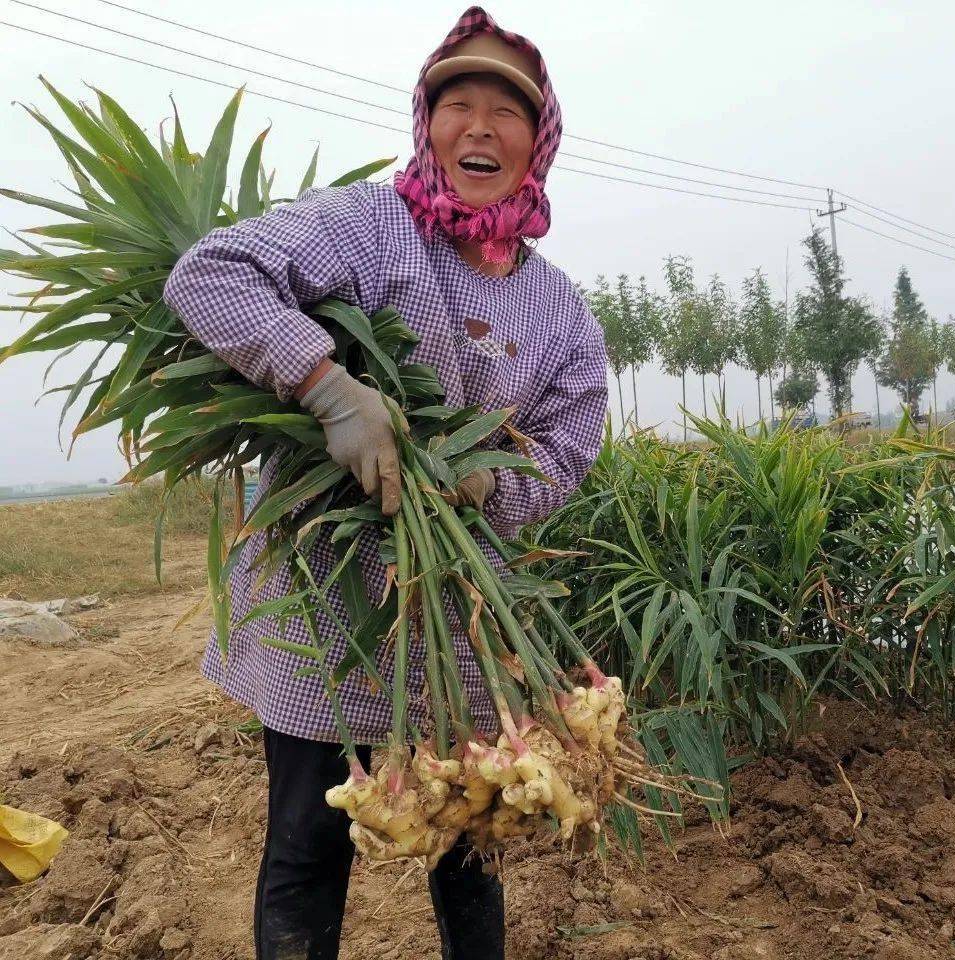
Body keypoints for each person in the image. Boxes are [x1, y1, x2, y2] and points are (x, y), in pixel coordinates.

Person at [163, 7, 607, 959]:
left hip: (462, 615)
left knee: (473, 839)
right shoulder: (369, 229)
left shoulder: (560, 306)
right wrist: (325, 386)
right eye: (457, 104)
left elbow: (570, 441)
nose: (480, 128)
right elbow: (211, 273)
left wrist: (494, 487)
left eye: (507, 112)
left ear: (540, 142)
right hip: (326, 603)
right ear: (426, 121)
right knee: (307, 841)